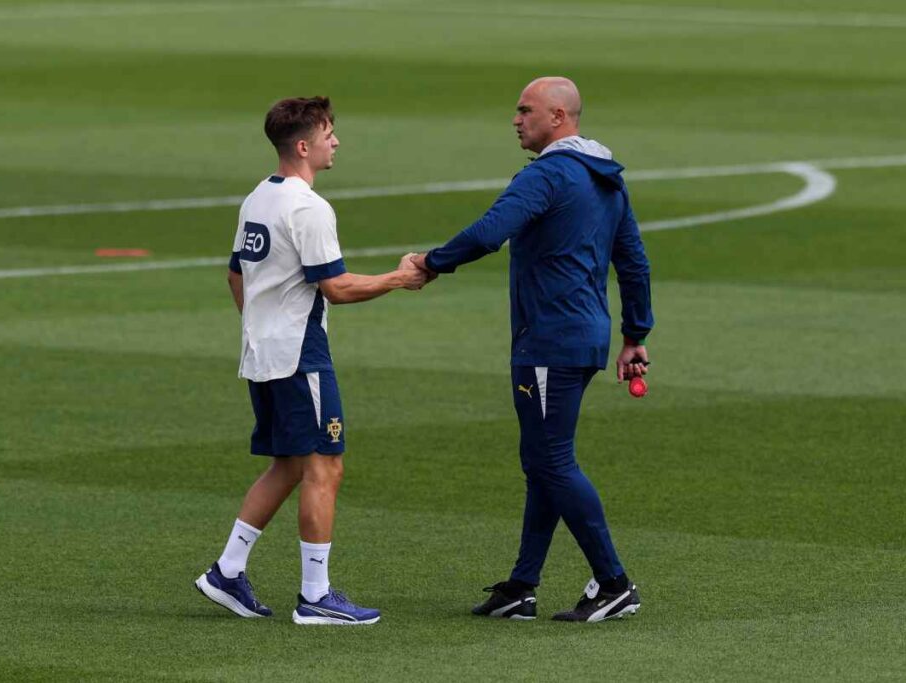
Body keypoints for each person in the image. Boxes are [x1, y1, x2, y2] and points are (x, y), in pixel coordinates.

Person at [410, 77, 654, 623]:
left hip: (549, 341)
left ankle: (614, 582)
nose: (516, 120)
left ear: (560, 116)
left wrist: (431, 263)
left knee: (551, 461)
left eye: (526, 110)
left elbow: (491, 230)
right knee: (543, 461)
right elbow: (633, 260)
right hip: (585, 338)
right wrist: (635, 335)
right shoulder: (607, 179)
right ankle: (522, 586)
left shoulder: (548, 175)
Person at [195, 96, 428, 626]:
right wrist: (399, 278)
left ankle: (227, 572)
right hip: (300, 355)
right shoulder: (309, 208)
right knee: (325, 465)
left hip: (262, 351)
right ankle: (316, 597)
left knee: (290, 464)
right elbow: (337, 288)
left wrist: (259, 325)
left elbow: (236, 275)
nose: (336, 142)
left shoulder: (259, 197)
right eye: (328, 134)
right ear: (303, 146)